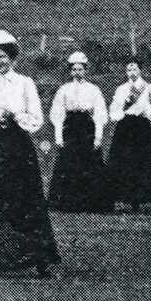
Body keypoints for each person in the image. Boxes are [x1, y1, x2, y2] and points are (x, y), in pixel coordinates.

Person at [0, 30, 60, 278]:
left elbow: (36, 119)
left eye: (3, 56)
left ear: (13, 57)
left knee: (25, 200)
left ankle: (38, 258)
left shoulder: (25, 83)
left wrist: (17, 116)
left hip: (18, 145)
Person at [105, 59, 151, 212]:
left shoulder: (150, 88)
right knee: (121, 161)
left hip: (142, 128)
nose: (132, 73)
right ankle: (122, 197)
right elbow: (114, 109)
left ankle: (139, 199)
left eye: (135, 69)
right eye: (129, 70)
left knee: (141, 161)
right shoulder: (122, 89)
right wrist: (120, 114)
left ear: (140, 70)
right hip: (125, 128)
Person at [47, 51, 110, 213]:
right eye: (74, 69)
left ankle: (92, 203)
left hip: (87, 128)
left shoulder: (93, 89)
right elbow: (57, 113)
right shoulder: (64, 89)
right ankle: (68, 203)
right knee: (69, 163)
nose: (77, 72)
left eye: (80, 69)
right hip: (71, 128)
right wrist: (58, 136)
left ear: (86, 70)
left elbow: (100, 113)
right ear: (70, 71)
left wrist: (98, 136)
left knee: (90, 164)